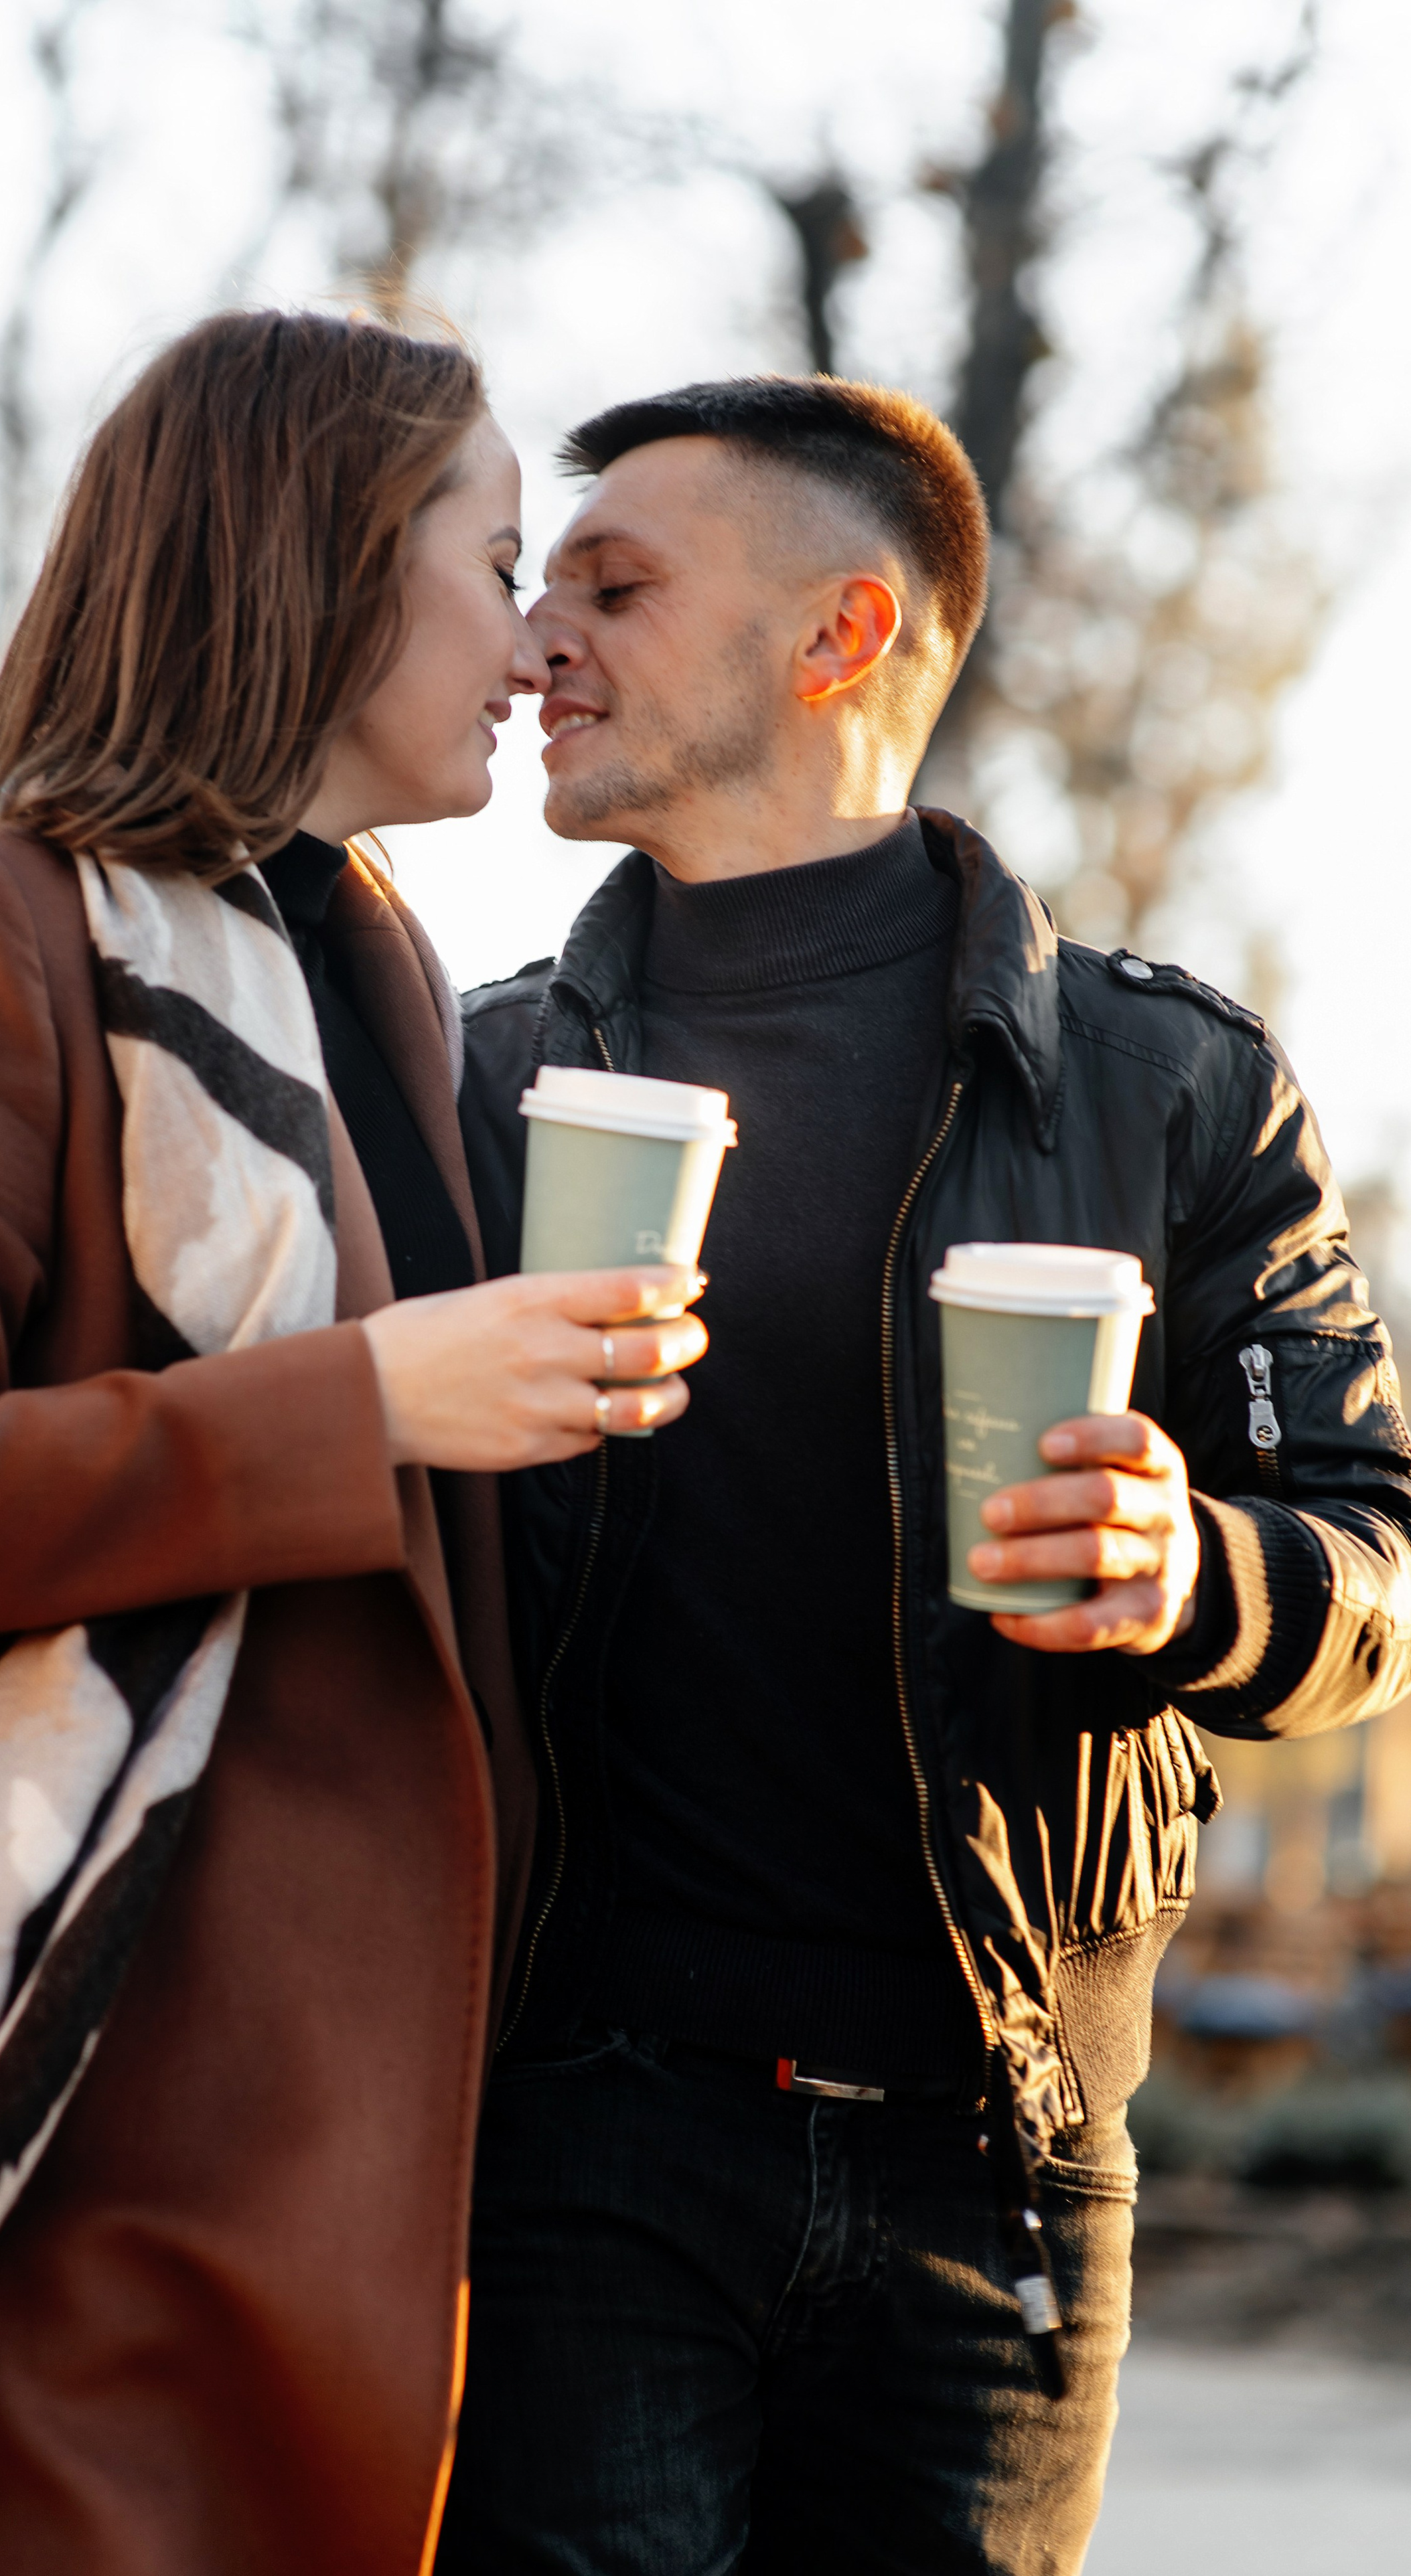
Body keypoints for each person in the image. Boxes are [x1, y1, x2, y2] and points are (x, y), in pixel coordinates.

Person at [0, 310, 707, 2576]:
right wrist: (366, 1400)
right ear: (323, 565)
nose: (541, 640)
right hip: (71, 2139)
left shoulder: (371, 977)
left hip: (366, 2158)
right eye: (500, 557)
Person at [446, 375, 1411, 2574]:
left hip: (1008, 2165)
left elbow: (1379, 1556)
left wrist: (1197, 1572)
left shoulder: (1173, 1088)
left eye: (613, 583)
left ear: (839, 633)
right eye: (535, 589)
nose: (537, 642)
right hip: (582, 2138)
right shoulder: (486, 1074)